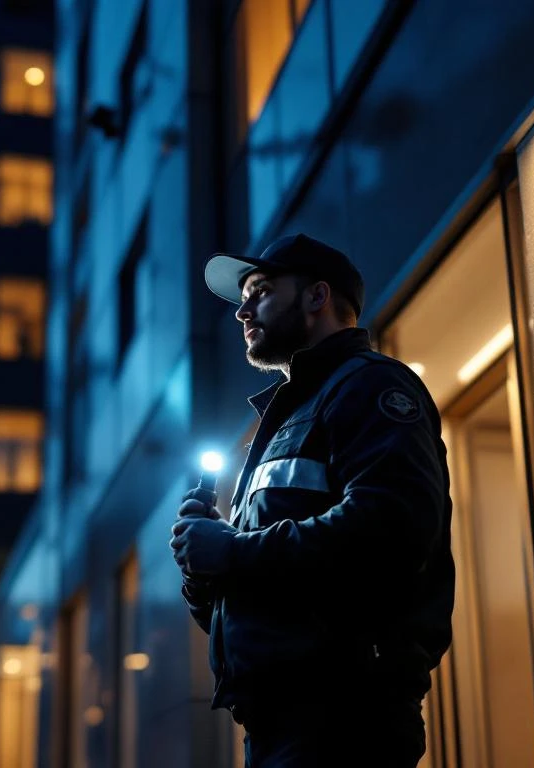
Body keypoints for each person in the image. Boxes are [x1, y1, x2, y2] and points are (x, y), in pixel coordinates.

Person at [169, 234, 455, 767]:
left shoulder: (368, 386)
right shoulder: (285, 423)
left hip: (346, 714)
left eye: (260, 290)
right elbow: (250, 596)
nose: (242, 311)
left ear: (317, 296)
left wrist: (231, 552)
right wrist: (203, 569)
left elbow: (391, 526)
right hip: (279, 720)